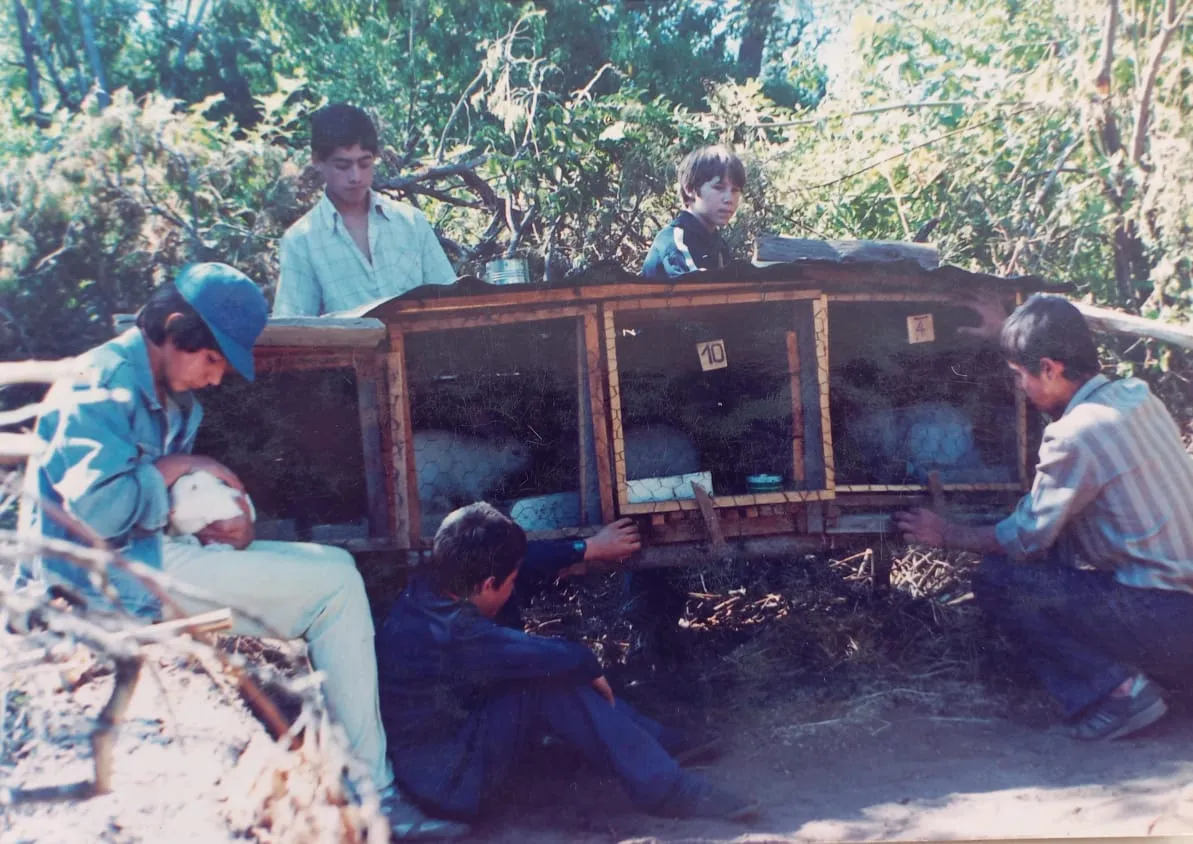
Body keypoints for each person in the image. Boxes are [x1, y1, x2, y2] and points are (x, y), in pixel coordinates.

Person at [19, 263, 467, 840]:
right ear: (175, 327)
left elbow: (163, 504)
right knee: (333, 590)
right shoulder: (101, 381)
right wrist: (181, 466)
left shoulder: (172, 395)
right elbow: (89, 515)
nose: (214, 378)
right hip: (100, 583)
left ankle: (364, 785)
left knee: (337, 567)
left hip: (153, 557)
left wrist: (229, 528)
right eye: (211, 359)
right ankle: (373, 798)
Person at [895, 293, 1193, 741]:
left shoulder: (1074, 435)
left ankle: (1121, 692)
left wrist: (946, 533)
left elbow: (1026, 539)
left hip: (1164, 616)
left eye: (1021, 376)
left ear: (1051, 368)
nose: (1020, 388)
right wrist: (1014, 336)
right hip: (1182, 611)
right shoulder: (1137, 395)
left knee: (1001, 580)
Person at [376, 502, 758, 823]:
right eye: (507, 582)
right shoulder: (454, 634)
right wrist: (588, 663)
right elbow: (563, 657)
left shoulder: (434, 584)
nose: (513, 585)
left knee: (544, 666)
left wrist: (585, 549)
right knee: (550, 682)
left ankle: (651, 743)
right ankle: (668, 789)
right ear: (490, 581)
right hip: (448, 784)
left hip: (444, 751)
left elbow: (522, 565)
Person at [273, 104, 456, 317]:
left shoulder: (411, 222)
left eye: (364, 163)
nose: (355, 177)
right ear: (317, 161)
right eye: (342, 165)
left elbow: (451, 304)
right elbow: (294, 331)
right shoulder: (301, 241)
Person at [641, 144, 745, 280]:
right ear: (690, 189)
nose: (729, 199)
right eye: (719, 188)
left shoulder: (718, 243)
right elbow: (698, 289)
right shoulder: (674, 241)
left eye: (735, 190)